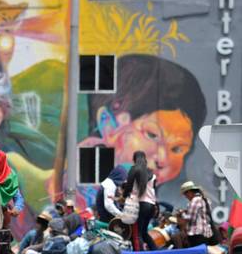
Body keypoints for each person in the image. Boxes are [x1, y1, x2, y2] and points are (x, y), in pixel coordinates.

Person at [82, 55, 207, 185]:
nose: (162, 159)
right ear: (107, 124)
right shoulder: (83, 189)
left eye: (177, 149)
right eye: (152, 135)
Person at [123, 151, 158, 251]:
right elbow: (154, 191)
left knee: (137, 234)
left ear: (135, 159)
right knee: (144, 232)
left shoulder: (134, 169)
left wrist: (124, 196)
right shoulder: (152, 173)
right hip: (151, 205)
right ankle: (156, 252)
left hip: (140, 205)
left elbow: (128, 186)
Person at [179, 181, 216, 247]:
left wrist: (182, 214)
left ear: (189, 192)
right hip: (206, 233)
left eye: (185, 194)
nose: (185, 196)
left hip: (196, 233)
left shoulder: (195, 200)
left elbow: (191, 219)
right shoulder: (205, 199)